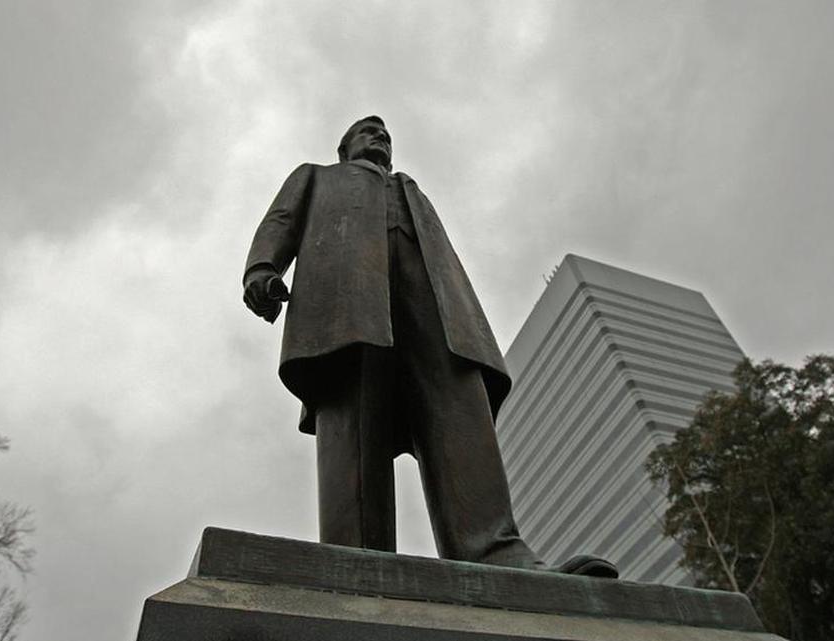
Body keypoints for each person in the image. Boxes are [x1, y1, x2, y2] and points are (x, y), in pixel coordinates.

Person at [243, 116, 616, 577]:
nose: (380, 136)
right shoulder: (316, 177)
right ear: (343, 150)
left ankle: (495, 551)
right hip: (345, 299)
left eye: (385, 134)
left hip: (436, 304)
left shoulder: (410, 189)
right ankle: (358, 559)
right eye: (368, 130)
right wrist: (262, 267)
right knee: (352, 411)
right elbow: (281, 219)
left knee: (459, 405)